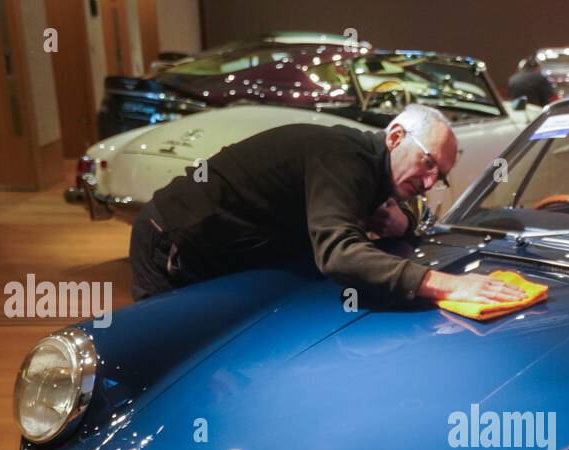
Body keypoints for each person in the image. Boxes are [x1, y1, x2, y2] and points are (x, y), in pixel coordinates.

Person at [128, 104, 523, 305]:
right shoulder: (343, 157)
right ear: (395, 136)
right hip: (172, 242)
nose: (430, 182)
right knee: (166, 369)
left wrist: (402, 222)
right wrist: (448, 285)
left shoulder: (375, 171)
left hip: (229, 255)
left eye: (441, 176)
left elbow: (375, 212)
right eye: (428, 163)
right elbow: (339, 253)